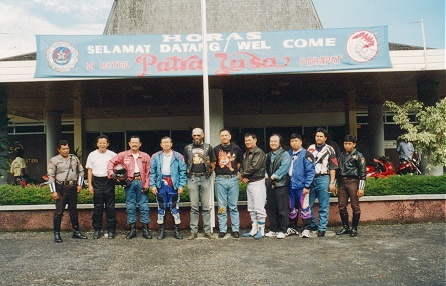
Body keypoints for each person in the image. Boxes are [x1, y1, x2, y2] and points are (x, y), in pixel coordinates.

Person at [107, 135, 152, 239]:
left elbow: (149, 172)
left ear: (140, 144)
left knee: (144, 206)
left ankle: (145, 229)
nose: (134, 144)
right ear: (129, 144)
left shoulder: (145, 156)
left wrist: (147, 184)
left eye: (137, 142)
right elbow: (111, 162)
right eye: (133, 142)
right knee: (130, 206)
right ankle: (132, 230)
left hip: (141, 181)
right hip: (129, 182)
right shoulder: (123, 155)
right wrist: (112, 174)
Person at [47, 140, 87, 243]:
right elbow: (51, 176)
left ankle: (76, 232)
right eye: (63, 149)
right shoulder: (54, 160)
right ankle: (57, 234)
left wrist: (79, 184)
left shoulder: (74, 158)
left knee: (73, 211)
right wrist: (53, 191)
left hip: (72, 187)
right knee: (59, 212)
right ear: (59, 150)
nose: (66, 151)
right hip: (61, 189)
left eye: (67, 148)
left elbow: (81, 172)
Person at [150, 136, 187, 240]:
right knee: (161, 207)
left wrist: (181, 185)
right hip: (160, 184)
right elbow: (152, 171)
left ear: (171, 144)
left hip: (173, 184)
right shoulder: (156, 156)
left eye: (168, 142)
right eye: (164, 143)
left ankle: (176, 230)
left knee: (174, 207)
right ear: (161, 145)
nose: (166, 144)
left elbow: (182, 172)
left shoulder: (178, 156)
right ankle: (161, 231)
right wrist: (152, 185)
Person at [183, 128, 217, 240]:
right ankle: (193, 231)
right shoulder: (187, 148)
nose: (197, 137)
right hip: (192, 178)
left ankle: (207, 231)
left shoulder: (208, 147)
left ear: (202, 135)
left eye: (198, 135)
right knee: (194, 207)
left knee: (206, 207)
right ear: (192, 136)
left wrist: (208, 172)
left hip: (205, 178)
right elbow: (186, 162)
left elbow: (213, 162)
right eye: (195, 135)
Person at [307, 128, 338, 237]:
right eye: (317, 136)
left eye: (321, 136)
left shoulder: (330, 149)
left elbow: (333, 167)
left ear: (325, 138)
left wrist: (332, 182)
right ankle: (313, 224)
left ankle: (322, 227)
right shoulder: (310, 148)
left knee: (323, 204)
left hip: (324, 178)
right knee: (307, 204)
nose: (318, 138)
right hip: (311, 178)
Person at [85, 134, 118, 239]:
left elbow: (118, 167)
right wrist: (90, 185)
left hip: (109, 181)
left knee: (110, 207)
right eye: (100, 143)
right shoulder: (92, 155)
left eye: (104, 143)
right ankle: (97, 230)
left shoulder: (112, 154)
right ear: (97, 144)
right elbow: (89, 170)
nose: (102, 144)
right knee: (98, 207)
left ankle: (111, 230)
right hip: (97, 181)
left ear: (107, 144)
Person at [213, 128, 243, 239]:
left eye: (226, 135)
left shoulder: (236, 148)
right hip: (220, 180)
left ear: (230, 136)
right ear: (220, 137)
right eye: (222, 135)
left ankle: (235, 229)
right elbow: (213, 164)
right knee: (221, 206)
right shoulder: (216, 149)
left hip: (233, 180)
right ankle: (222, 229)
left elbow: (239, 163)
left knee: (233, 206)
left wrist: (233, 172)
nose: (224, 137)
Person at [335, 134, 366, 237]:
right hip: (342, 182)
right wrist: (335, 184)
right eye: (345, 143)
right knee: (342, 205)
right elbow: (337, 171)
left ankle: (354, 228)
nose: (347, 145)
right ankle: (346, 227)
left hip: (353, 181)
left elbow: (362, 173)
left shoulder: (359, 155)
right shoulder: (341, 155)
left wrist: (361, 188)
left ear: (354, 144)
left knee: (355, 206)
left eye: (349, 143)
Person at [287, 134, 315, 238]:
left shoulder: (307, 154)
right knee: (292, 206)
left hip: (302, 186)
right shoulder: (288, 154)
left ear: (301, 142)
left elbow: (311, 172)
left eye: (296, 141)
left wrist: (307, 186)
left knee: (305, 207)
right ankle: (292, 227)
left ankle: (306, 228)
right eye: (292, 141)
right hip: (290, 186)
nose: (294, 143)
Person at [239, 133, 267, 239]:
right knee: (251, 208)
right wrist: (243, 176)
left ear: (255, 140)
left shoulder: (259, 152)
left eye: (249, 140)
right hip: (249, 183)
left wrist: (242, 175)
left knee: (259, 208)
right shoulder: (246, 154)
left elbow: (254, 167)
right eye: (246, 141)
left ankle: (261, 230)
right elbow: (242, 166)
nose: (247, 142)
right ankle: (253, 229)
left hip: (258, 183)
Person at [264, 134, 292, 239]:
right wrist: (267, 177)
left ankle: (282, 230)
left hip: (281, 185)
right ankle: (274, 229)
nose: (273, 143)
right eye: (271, 141)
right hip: (269, 185)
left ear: (279, 142)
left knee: (282, 209)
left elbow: (284, 168)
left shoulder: (285, 154)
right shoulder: (268, 155)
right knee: (271, 208)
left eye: (275, 141)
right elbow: (264, 168)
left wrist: (273, 177)